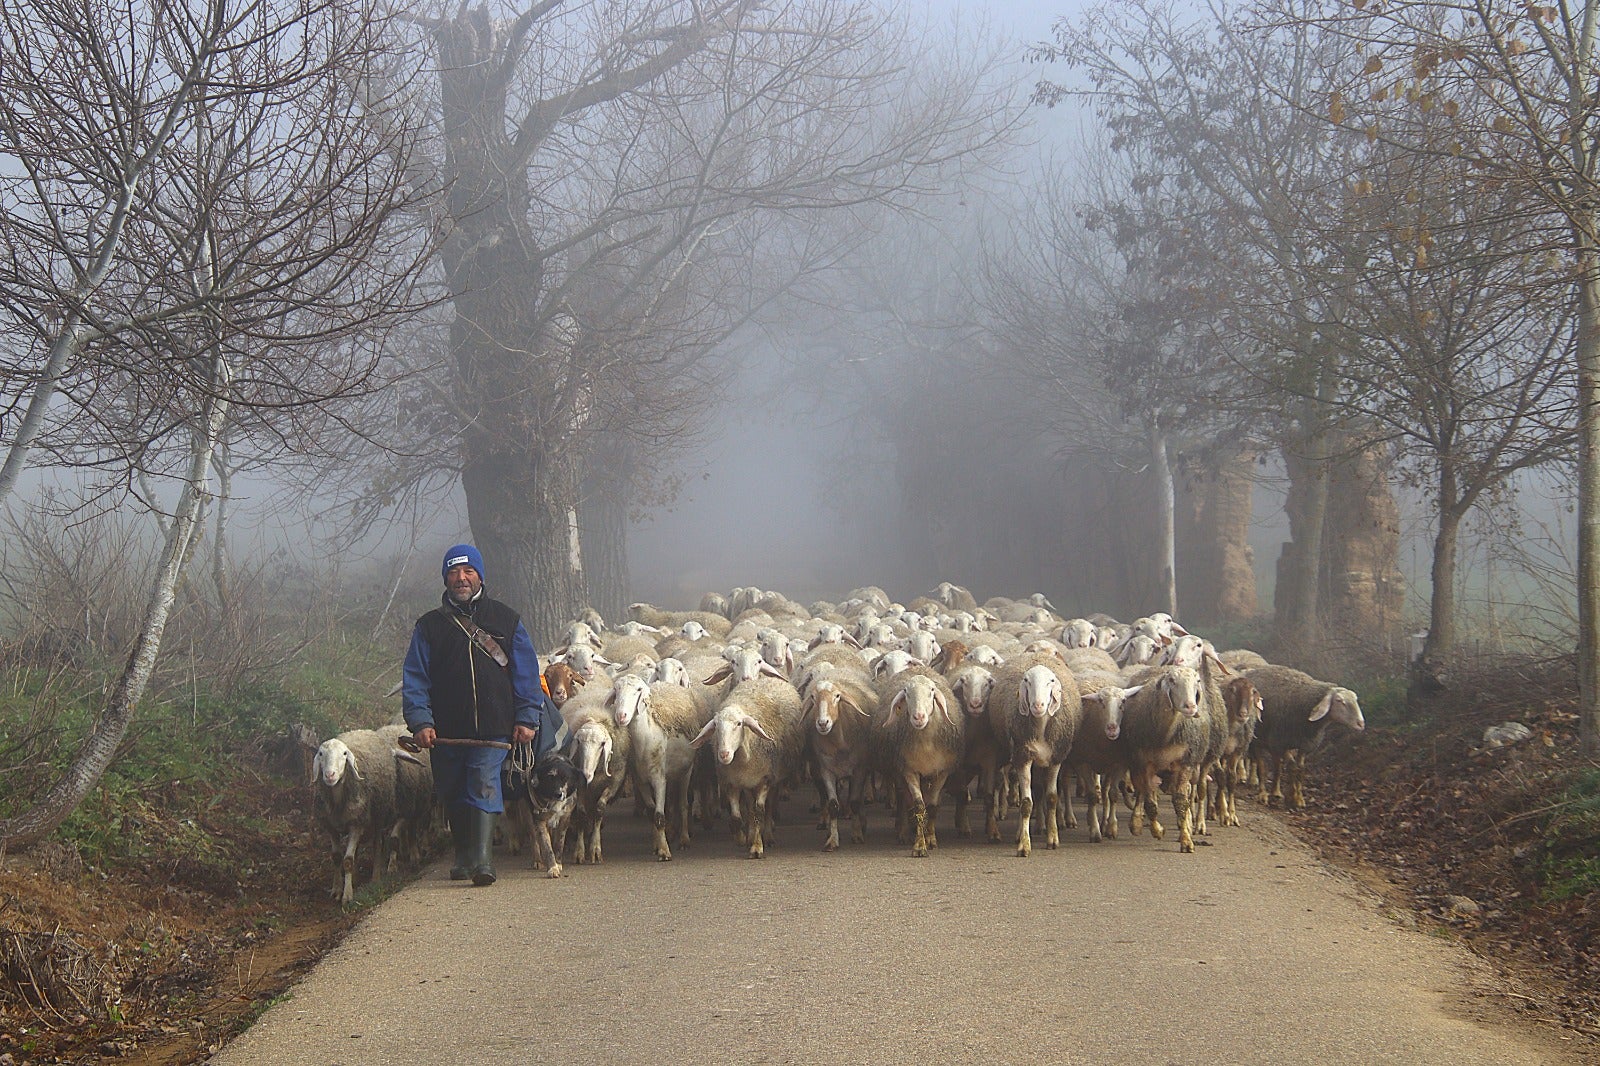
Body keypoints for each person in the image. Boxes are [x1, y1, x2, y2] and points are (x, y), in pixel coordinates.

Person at [401, 543, 558, 886]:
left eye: (468, 572)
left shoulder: (506, 619)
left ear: (480, 576)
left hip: (494, 726)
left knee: (484, 783)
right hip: (446, 730)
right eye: (454, 572)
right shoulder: (428, 627)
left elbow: (526, 673)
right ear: (446, 578)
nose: (461, 578)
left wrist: (527, 715)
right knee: (453, 789)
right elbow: (415, 677)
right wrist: (421, 721)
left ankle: (484, 861)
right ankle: (464, 856)